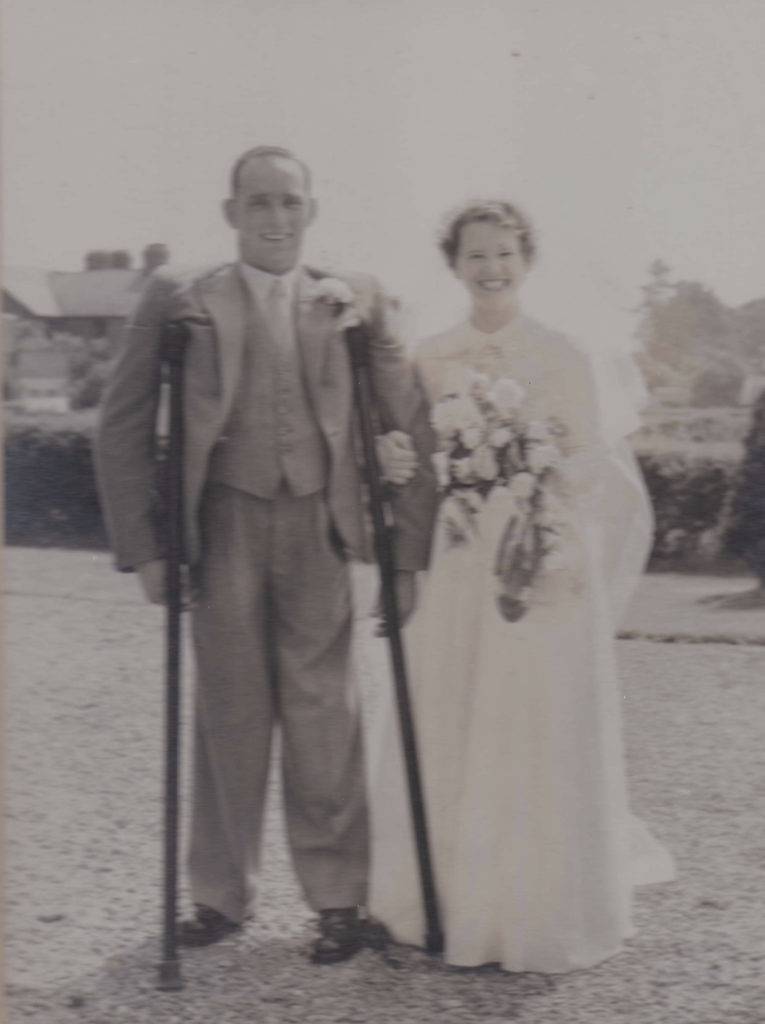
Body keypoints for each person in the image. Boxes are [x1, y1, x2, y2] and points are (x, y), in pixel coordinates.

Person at [95, 145, 437, 963]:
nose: (277, 219)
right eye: (259, 204)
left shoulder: (350, 299)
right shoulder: (183, 299)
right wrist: (145, 548)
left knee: (326, 715)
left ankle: (337, 901)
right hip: (220, 529)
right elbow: (123, 423)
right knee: (229, 710)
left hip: (318, 524)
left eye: (290, 203)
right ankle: (220, 895)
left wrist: (407, 553)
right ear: (231, 214)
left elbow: (407, 422)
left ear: (312, 210)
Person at [367, 200, 675, 973]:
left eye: (504, 255)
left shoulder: (562, 353)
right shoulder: (432, 354)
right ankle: (442, 900)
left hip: (538, 557)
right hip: (461, 555)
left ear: (526, 260)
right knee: (457, 709)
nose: (491, 269)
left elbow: (588, 468)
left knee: (530, 720)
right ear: (454, 265)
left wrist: (538, 507)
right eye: (476, 256)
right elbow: (412, 458)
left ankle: (529, 908)